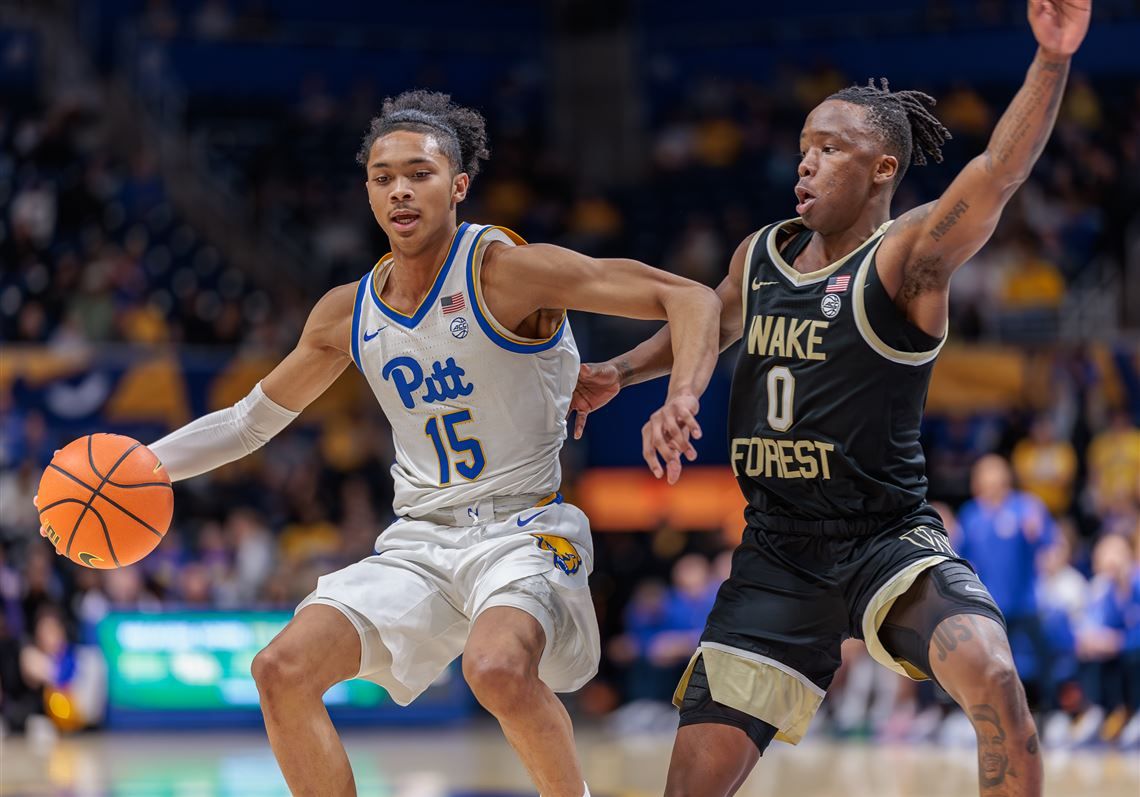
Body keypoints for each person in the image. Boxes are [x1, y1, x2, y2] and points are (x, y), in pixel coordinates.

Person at [40, 91, 721, 797]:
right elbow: (249, 420)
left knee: (494, 668)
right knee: (280, 670)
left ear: (458, 185)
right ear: (366, 187)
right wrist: (146, 467)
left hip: (525, 529)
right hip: (422, 540)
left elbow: (693, 299)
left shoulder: (507, 272)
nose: (399, 188)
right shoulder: (347, 310)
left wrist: (678, 396)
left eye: (419, 173)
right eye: (382, 174)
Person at [571, 2, 1090, 794]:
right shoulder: (763, 254)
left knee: (995, 680)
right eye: (803, 147)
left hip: (885, 540)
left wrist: (1051, 59)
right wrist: (623, 370)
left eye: (830, 149)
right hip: (776, 555)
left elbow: (998, 173)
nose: (805, 164)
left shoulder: (906, 258)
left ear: (883, 167)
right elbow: (705, 321)